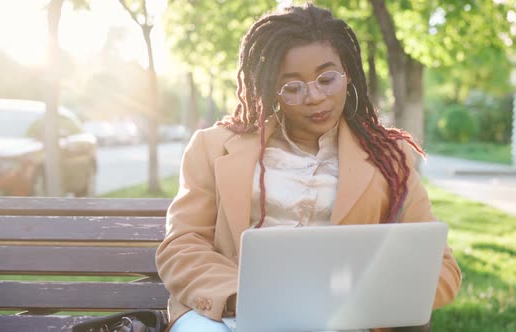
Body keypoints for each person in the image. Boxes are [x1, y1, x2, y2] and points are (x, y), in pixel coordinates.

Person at [156, 4, 462, 332]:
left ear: (348, 75)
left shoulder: (390, 156)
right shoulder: (212, 147)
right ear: (271, 89)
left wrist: (362, 299)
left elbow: (441, 269)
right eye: (293, 87)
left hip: (342, 320)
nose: (314, 97)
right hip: (228, 314)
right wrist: (237, 297)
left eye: (327, 79)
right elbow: (182, 245)